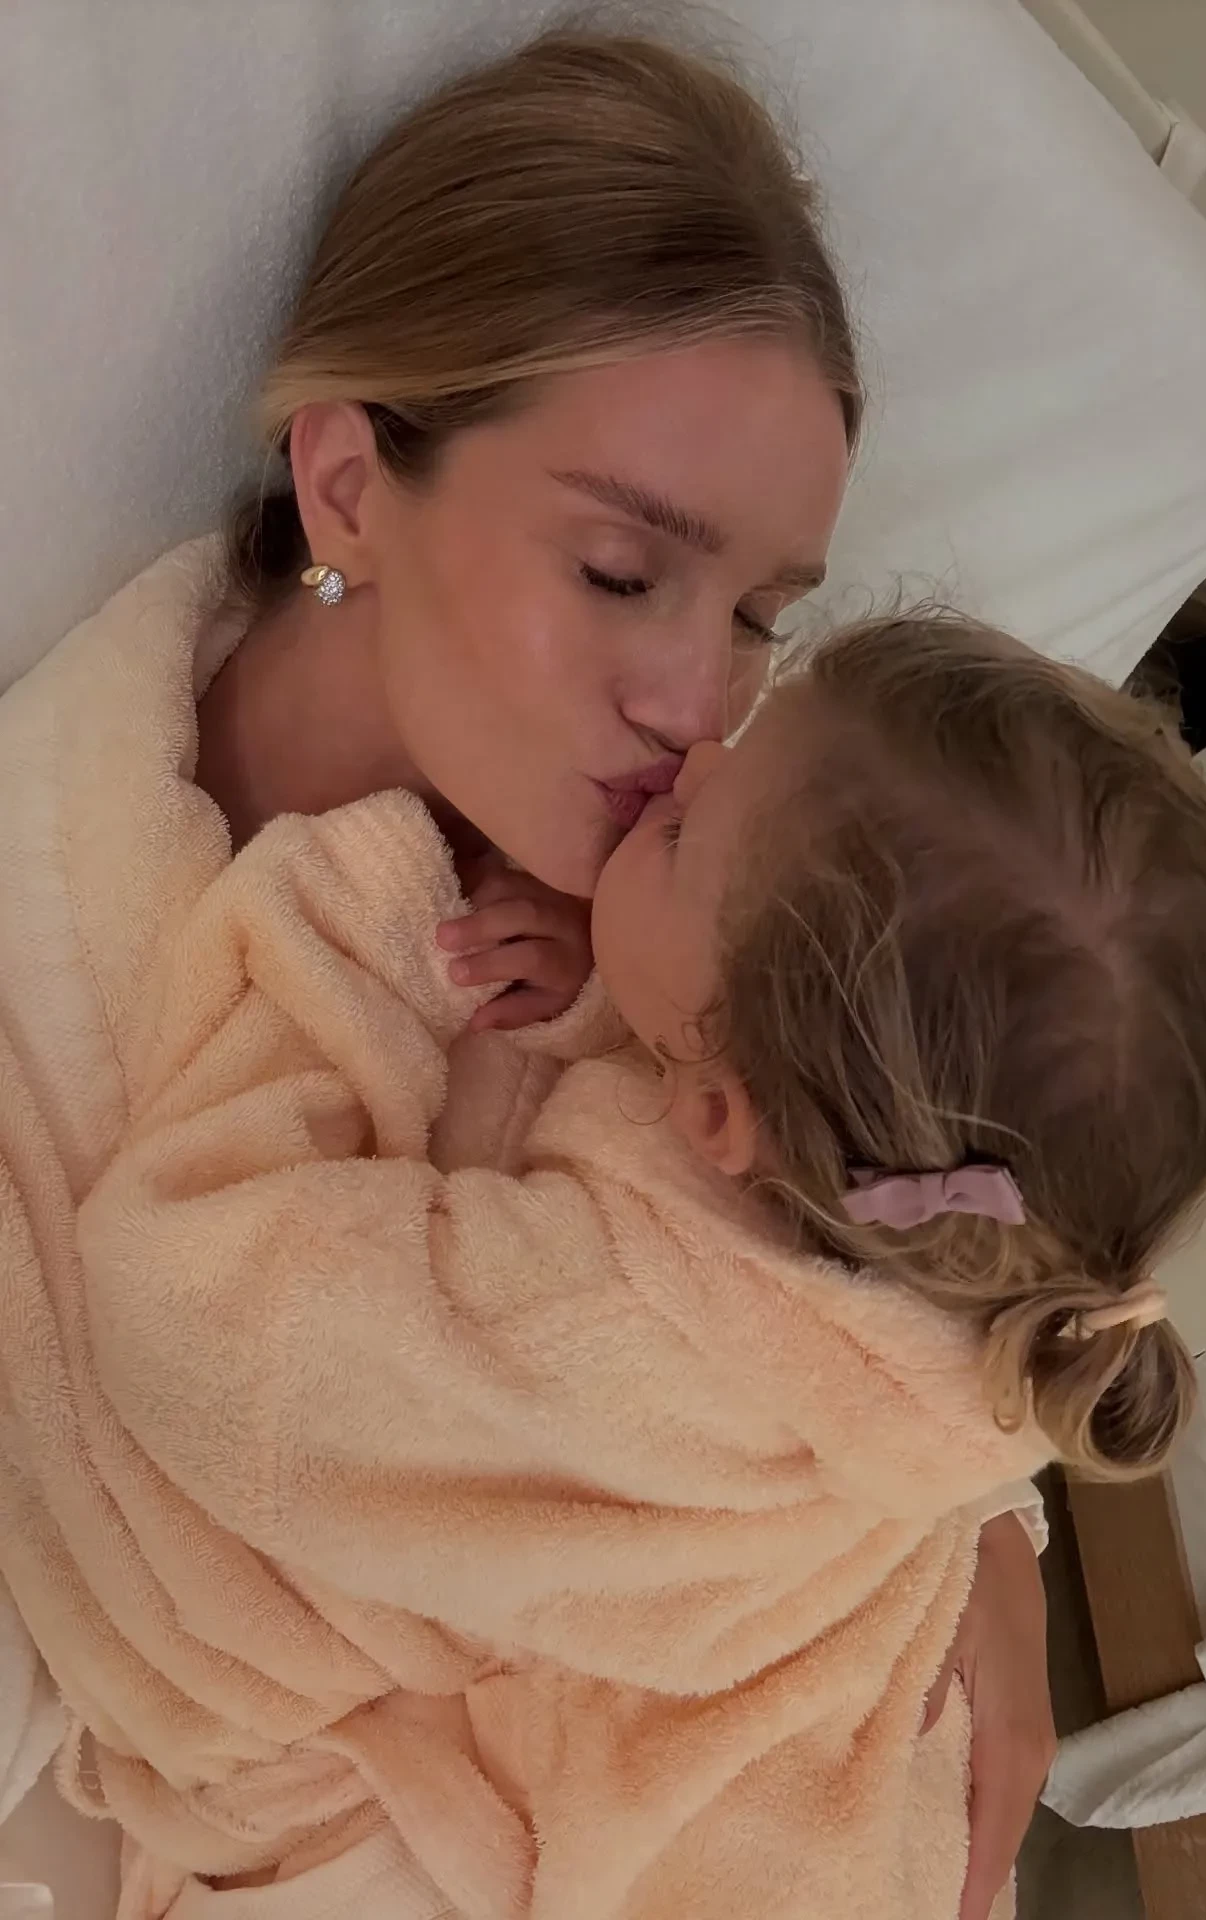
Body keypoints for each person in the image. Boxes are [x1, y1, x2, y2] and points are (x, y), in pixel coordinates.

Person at [0, 25, 1035, 1919]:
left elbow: (884, 1227)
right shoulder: (52, 886)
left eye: (762, 613)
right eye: (623, 571)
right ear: (346, 487)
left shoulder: (713, 894)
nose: (701, 703)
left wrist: (978, 1524)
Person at [71, 608, 1206, 1919]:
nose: (698, 753)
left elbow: (197, 1314)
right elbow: (698, 1068)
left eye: (679, 836)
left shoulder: (613, 1334)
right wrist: (610, 978)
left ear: (720, 1112)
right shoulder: (965, 1262)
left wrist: (366, 929)